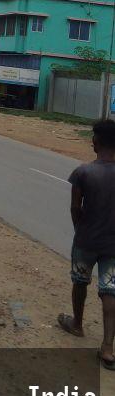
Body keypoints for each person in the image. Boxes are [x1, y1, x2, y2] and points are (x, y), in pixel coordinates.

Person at [57, 117, 115, 369]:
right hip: (113, 245)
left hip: (86, 240)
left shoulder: (83, 172)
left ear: (96, 141)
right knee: (110, 290)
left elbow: (75, 208)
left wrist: (79, 230)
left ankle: (77, 324)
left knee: (80, 282)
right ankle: (108, 347)